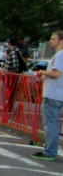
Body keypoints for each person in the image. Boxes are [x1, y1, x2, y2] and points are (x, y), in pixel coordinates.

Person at [32, 30, 63, 161]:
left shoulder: (60, 55)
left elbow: (56, 74)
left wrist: (41, 72)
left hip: (52, 94)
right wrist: (45, 77)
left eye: (53, 39)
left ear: (61, 41)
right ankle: (51, 149)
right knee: (54, 123)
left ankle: (50, 151)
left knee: (50, 124)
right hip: (59, 94)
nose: (51, 41)